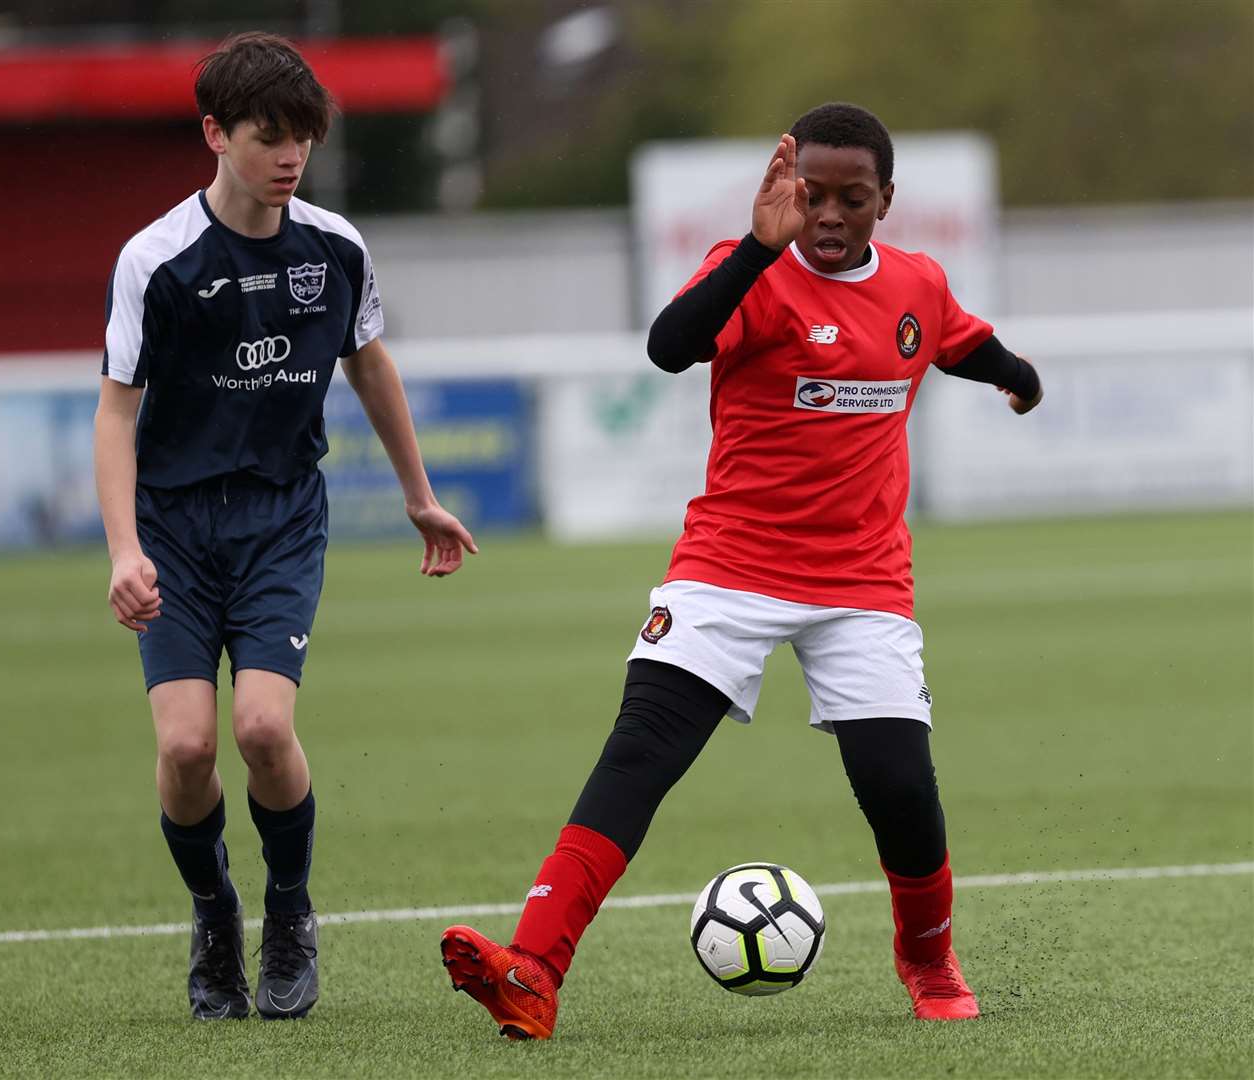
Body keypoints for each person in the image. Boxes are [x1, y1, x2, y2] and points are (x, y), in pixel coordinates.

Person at [440, 102, 1042, 1037]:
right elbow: (669, 346)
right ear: (787, 191)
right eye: (814, 196)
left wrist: (1016, 373)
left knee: (898, 784)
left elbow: (956, 338)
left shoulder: (918, 283)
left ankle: (928, 960)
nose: (831, 215)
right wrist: (762, 250)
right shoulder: (749, 269)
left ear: (888, 198)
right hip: (729, 568)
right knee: (639, 753)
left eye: (853, 197)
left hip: (862, 586)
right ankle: (533, 969)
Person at [94, 32, 477, 1021]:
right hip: (174, 529)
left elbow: (370, 363)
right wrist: (125, 550)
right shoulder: (156, 261)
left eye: (303, 136)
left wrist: (418, 492)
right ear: (216, 133)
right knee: (186, 752)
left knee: (264, 728)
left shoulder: (334, 247)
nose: (291, 156)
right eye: (270, 137)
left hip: (279, 521)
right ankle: (215, 915)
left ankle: (291, 911)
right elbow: (116, 413)